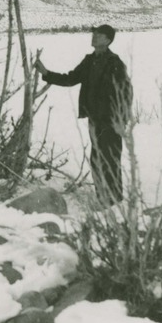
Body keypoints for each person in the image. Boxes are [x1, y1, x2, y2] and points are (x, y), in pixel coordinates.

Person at [34, 24, 132, 205]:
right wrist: (46, 73)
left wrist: (121, 119)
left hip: (111, 120)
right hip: (95, 119)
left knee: (110, 160)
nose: (94, 37)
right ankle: (103, 198)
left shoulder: (115, 63)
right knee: (97, 159)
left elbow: (126, 92)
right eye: (94, 34)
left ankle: (113, 201)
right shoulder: (89, 60)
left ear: (108, 40)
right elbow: (71, 78)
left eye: (99, 35)